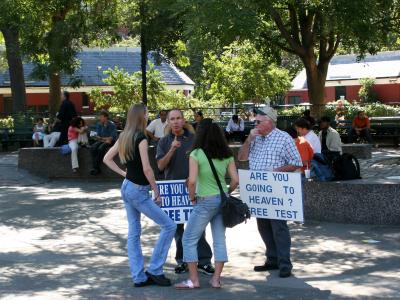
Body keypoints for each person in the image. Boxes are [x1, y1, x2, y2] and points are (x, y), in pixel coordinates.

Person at [103, 103, 176, 287]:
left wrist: (123, 174)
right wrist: (156, 190)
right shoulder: (141, 138)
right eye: (147, 113)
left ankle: (138, 276)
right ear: (141, 116)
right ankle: (155, 269)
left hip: (127, 187)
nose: (148, 115)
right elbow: (147, 168)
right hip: (138, 190)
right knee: (169, 226)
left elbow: (106, 159)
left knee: (134, 233)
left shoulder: (124, 136)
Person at [238, 106, 302, 278]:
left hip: (276, 190)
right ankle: (272, 259)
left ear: (270, 122)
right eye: (255, 121)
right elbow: (241, 158)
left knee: (278, 226)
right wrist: (249, 140)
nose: (255, 124)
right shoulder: (255, 138)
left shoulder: (283, 138)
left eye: (259, 121)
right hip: (259, 190)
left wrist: (277, 171)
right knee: (263, 225)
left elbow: (296, 162)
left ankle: (284, 263)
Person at [175, 119, 239, 289]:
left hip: (204, 201)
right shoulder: (226, 154)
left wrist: (191, 197)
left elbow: (192, 181)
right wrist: (226, 193)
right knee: (219, 240)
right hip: (221, 199)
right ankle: (216, 279)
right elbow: (235, 180)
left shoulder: (196, 153)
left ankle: (193, 280)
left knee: (188, 239)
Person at [157, 109, 215, 276]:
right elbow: (160, 166)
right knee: (177, 229)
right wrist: (172, 149)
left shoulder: (195, 140)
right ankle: (182, 261)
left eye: (178, 118)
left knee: (199, 227)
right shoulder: (164, 142)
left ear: (183, 120)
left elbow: (204, 163)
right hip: (173, 191)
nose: (175, 122)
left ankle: (204, 261)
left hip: (195, 188)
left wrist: (192, 177)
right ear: (168, 122)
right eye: (172, 119)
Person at [90, 111, 117, 175]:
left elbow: (111, 138)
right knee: (93, 147)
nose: (100, 118)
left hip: (110, 141)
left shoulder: (112, 125)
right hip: (102, 140)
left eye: (101, 117)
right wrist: (96, 137)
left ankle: (95, 167)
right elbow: (98, 136)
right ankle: (96, 168)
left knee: (101, 148)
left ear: (106, 117)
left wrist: (101, 138)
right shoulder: (99, 124)